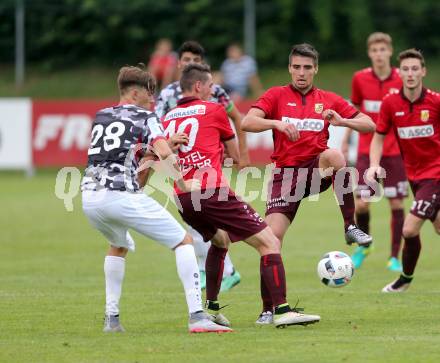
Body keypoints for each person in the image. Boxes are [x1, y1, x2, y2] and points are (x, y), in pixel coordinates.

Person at [163, 63, 321, 328]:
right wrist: (234, 158)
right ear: (199, 86)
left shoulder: (168, 118)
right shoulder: (213, 109)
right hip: (212, 191)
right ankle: (282, 310)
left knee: (221, 241)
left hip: (183, 196)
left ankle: (211, 308)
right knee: (270, 242)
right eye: (211, 86)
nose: (213, 90)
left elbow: (167, 155)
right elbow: (234, 152)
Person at [81, 64, 230, 333]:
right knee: (183, 242)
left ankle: (111, 319)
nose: (154, 100)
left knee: (118, 245)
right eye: (150, 93)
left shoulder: (101, 116)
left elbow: (124, 152)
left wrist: (156, 147)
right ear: (136, 92)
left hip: (89, 198)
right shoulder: (147, 116)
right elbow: (163, 151)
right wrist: (184, 181)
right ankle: (198, 316)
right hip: (121, 195)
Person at [242, 43, 375, 324]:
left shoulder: (327, 99)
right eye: (296, 67)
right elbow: (247, 122)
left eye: (307, 67)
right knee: (271, 240)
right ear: (290, 68)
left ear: (315, 69)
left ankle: (350, 226)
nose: (301, 73)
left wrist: (343, 121)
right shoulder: (276, 95)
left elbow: (369, 124)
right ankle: (269, 309)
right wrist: (276, 124)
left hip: (316, 171)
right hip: (285, 177)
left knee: (335, 156)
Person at [156, 40, 248, 292]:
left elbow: (236, 117)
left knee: (199, 219)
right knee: (197, 223)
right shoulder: (167, 95)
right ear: (180, 63)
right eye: (186, 60)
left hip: (208, 162)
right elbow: (155, 129)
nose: (190, 64)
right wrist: (167, 143)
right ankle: (215, 269)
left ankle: (221, 270)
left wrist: (241, 154)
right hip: (179, 164)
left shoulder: (215, 91)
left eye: (195, 61)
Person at [367, 49, 440, 292]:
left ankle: (404, 281)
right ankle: (405, 280)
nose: (410, 74)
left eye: (414, 69)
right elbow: (378, 137)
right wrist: (374, 164)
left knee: (409, 229)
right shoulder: (390, 103)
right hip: (415, 178)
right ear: (401, 73)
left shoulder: (435, 102)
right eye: (406, 69)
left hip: (436, 175)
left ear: (423, 72)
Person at [342, 32, 407, 271]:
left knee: (397, 204)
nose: (379, 55)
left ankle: (394, 258)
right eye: (374, 50)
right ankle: (365, 245)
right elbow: (354, 110)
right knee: (362, 205)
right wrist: (346, 139)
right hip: (366, 150)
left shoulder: (402, 78)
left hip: (395, 151)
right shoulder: (360, 78)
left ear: (390, 52)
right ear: (369, 53)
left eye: (383, 50)